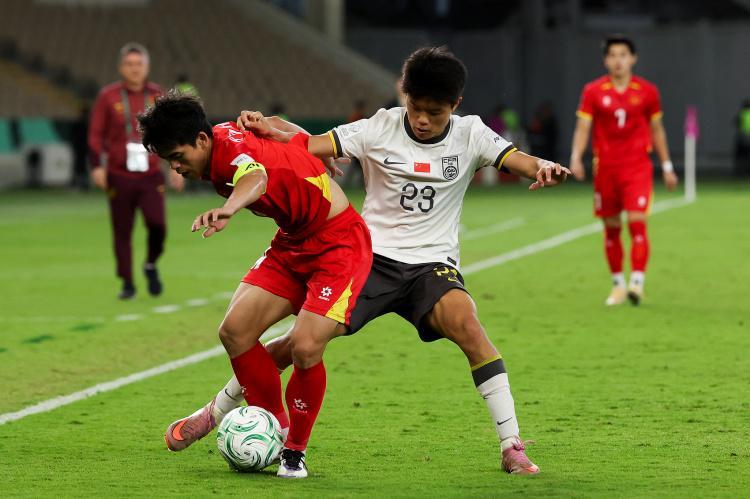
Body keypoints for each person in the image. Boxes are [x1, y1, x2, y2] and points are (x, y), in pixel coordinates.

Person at [164, 46, 569, 475]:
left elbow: (519, 161)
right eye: (415, 107)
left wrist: (543, 166)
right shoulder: (380, 125)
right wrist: (273, 127)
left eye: (434, 112)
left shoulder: (472, 133)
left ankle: (511, 446)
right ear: (405, 97)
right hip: (368, 259)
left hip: (431, 266)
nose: (422, 119)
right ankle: (216, 410)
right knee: (300, 344)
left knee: (470, 327)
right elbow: (309, 144)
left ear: (456, 105)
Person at [137, 92, 372, 479]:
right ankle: (277, 431)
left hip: (338, 244)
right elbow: (274, 124)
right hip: (293, 242)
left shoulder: (230, 155)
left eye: (177, 156)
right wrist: (309, 147)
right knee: (235, 330)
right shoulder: (223, 133)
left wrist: (229, 208)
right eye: (168, 161)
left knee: (305, 346)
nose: (175, 167)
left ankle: (295, 452)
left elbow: (255, 178)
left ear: (201, 140)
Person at [570, 35, 678, 306]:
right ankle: (618, 285)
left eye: (623, 55)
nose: (618, 60)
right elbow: (583, 127)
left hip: (637, 167)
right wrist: (576, 158)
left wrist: (667, 166)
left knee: (637, 221)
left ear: (633, 58)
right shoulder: (593, 91)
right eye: (613, 55)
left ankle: (637, 283)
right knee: (612, 228)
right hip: (606, 169)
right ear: (605, 60)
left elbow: (657, 130)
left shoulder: (648, 91)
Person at [88, 42, 184, 300]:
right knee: (122, 231)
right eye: (129, 64)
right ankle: (127, 282)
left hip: (150, 174)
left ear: (147, 67)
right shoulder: (108, 96)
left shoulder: (158, 95)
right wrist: (97, 166)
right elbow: (95, 134)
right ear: (121, 67)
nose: (134, 69)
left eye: (139, 64)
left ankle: (150, 263)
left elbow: (172, 133)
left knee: (158, 225)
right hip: (119, 174)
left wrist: (177, 167)